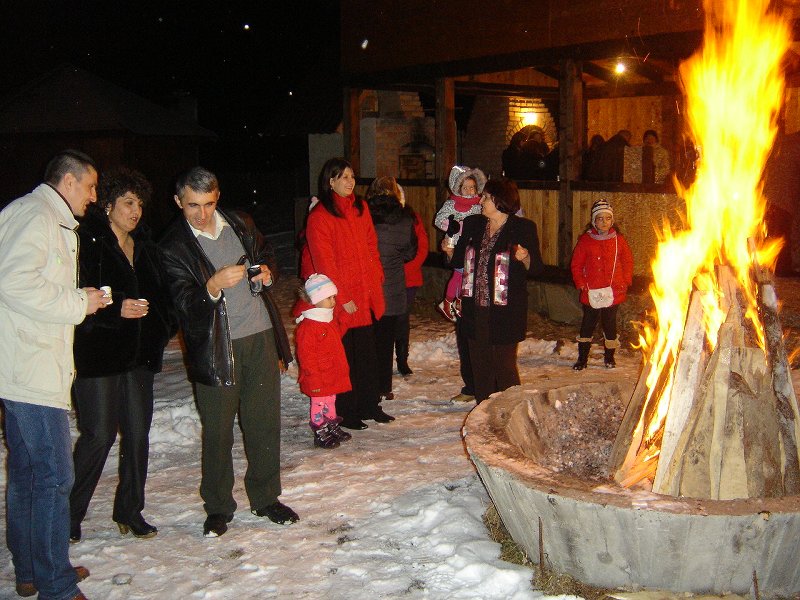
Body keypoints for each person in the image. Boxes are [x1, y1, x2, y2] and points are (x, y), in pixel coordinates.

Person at [159, 166, 297, 538]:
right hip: (216, 346)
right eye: (192, 206)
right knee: (218, 431)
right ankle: (218, 506)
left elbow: (267, 254)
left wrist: (267, 273)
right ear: (178, 202)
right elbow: (181, 306)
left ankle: (266, 496)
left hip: (260, 336)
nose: (201, 215)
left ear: (217, 198)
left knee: (264, 422)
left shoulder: (239, 222)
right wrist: (212, 286)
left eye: (207, 204)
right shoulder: (173, 245)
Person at [0, 149, 111, 600]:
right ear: (68, 181)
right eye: (90, 187)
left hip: (29, 366)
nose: (94, 196)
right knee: (53, 475)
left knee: (29, 472)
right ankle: (56, 586)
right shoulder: (36, 216)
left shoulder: (46, 218)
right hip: (30, 370)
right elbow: (14, 282)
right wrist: (77, 303)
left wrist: (75, 297)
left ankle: (32, 570)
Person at [69, 167, 177, 544]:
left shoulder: (145, 244)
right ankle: (67, 515)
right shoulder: (88, 242)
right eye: (129, 203)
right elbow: (77, 295)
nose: (136, 211)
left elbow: (164, 295)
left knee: (137, 434)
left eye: (140, 204)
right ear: (109, 204)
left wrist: (162, 329)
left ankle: (130, 510)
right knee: (98, 435)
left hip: (138, 356)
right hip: (98, 355)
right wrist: (117, 309)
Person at [305, 158, 389, 430]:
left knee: (368, 353)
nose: (350, 181)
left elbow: (371, 246)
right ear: (330, 181)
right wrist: (342, 298)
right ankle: (347, 410)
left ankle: (369, 405)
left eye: (352, 176)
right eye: (343, 177)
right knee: (345, 357)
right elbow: (324, 262)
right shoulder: (320, 216)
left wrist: (377, 278)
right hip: (344, 298)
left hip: (365, 292)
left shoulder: (360, 208)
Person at [444, 178, 543, 404]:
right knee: (481, 369)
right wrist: (449, 252)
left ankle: (511, 415)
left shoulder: (522, 228)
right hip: (474, 308)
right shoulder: (473, 224)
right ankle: (484, 417)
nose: (481, 200)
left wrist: (526, 257)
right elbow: (458, 260)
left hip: (506, 312)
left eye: (486, 197)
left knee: (504, 368)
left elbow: (537, 268)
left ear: (500, 200)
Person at [364, 176, 429, 376]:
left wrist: (405, 269)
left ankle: (402, 360)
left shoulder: (409, 215)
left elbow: (421, 247)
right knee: (383, 323)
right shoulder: (373, 217)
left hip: (406, 278)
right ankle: (383, 366)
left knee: (401, 322)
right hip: (389, 278)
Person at [365, 191, 417, 403]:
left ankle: (367, 386)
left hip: (368, 290)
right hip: (393, 289)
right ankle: (384, 387)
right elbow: (410, 253)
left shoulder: (365, 221)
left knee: (368, 342)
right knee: (386, 341)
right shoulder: (405, 222)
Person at [570, 199, 633, 370]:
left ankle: (609, 357)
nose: (604, 222)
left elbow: (627, 261)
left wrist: (626, 281)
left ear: (612, 221)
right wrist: (581, 283)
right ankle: (582, 359)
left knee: (610, 324)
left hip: (613, 292)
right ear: (593, 221)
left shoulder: (619, 240)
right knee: (588, 324)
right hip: (591, 291)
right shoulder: (585, 240)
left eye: (607, 218)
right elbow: (576, 264)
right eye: (600, 218)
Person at [294, 273, 353, 449]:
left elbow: (336, 336)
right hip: (318, 374)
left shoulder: (327, 318)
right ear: (316, 299)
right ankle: (319, 430)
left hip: (331, 371)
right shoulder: (309, 325)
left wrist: (346, 319)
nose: (333, 301)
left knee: (330, 400)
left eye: (334, 297)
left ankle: (331, 425)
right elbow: (306, 354)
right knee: (319, 403)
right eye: (329, 298)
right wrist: (312, 375)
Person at [433, 165, 487, 321]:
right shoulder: (451, 204)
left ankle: (456, 300)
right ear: (458, 188)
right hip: (456, 245)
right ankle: (451, 300)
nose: (470, 191)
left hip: (472, 246)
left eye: (472, 187)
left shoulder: (479, 205)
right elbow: (439, 219)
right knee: (460, 273)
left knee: (466, 274)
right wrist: (451, 225)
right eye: (466, 187)